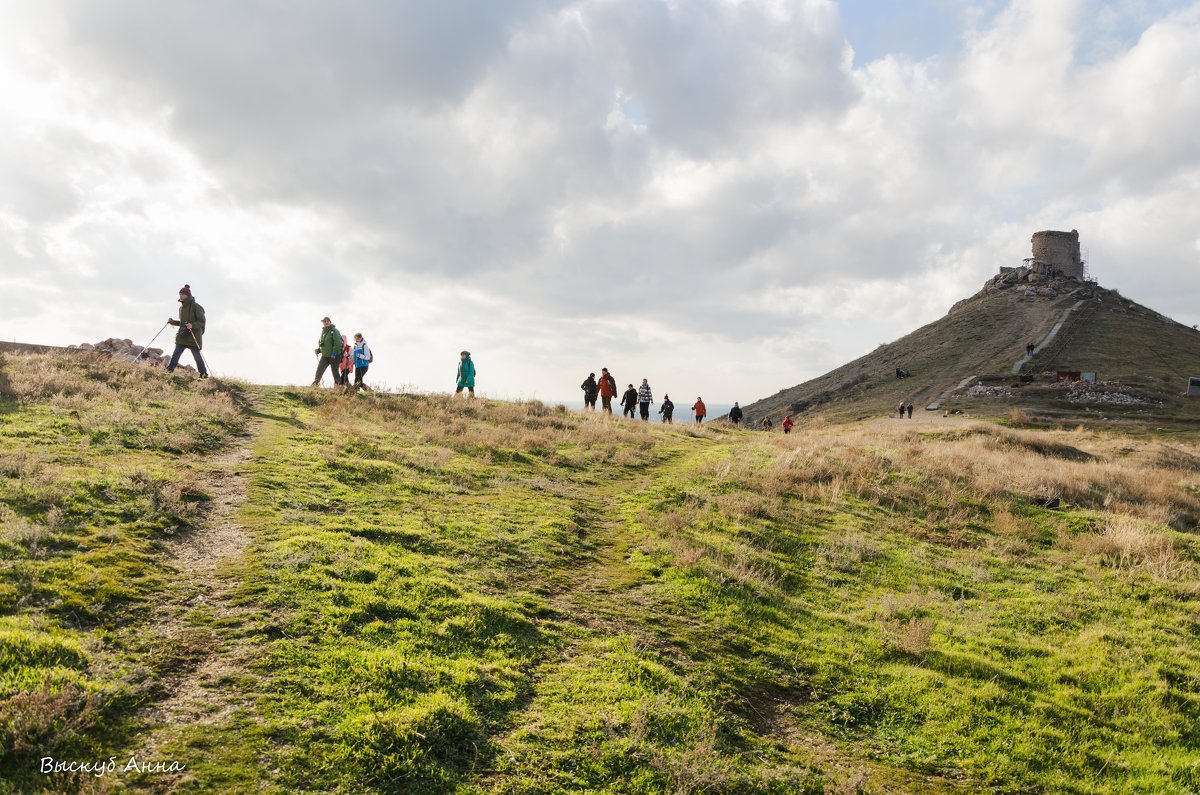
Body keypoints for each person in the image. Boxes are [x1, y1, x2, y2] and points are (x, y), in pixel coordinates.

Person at [165, 284, 208, 378]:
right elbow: (182, 323)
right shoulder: (181, 308)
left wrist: (192, 325)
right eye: (180, 294)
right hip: (182, 336)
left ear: (187, 295)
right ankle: (169, 370)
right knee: (176, 354)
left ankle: (204, 374)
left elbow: (201, 321)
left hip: (194, 337)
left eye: (182, 294)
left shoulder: (196, 307)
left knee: (197, 357)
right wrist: (173, 322)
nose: (180, 296)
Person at [312, 316, 342, 386]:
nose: (325, 322)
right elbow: (322, 343)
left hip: (334, 355)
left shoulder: (334, 331)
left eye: (327, 321)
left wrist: (334, 353)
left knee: (335, 372)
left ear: (330, 322)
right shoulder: (323, 332)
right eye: (324, 321)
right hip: (325, 355)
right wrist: (319, 350)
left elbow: (338, 343)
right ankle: (315, 385)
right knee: (319, 370)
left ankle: (339, 387)